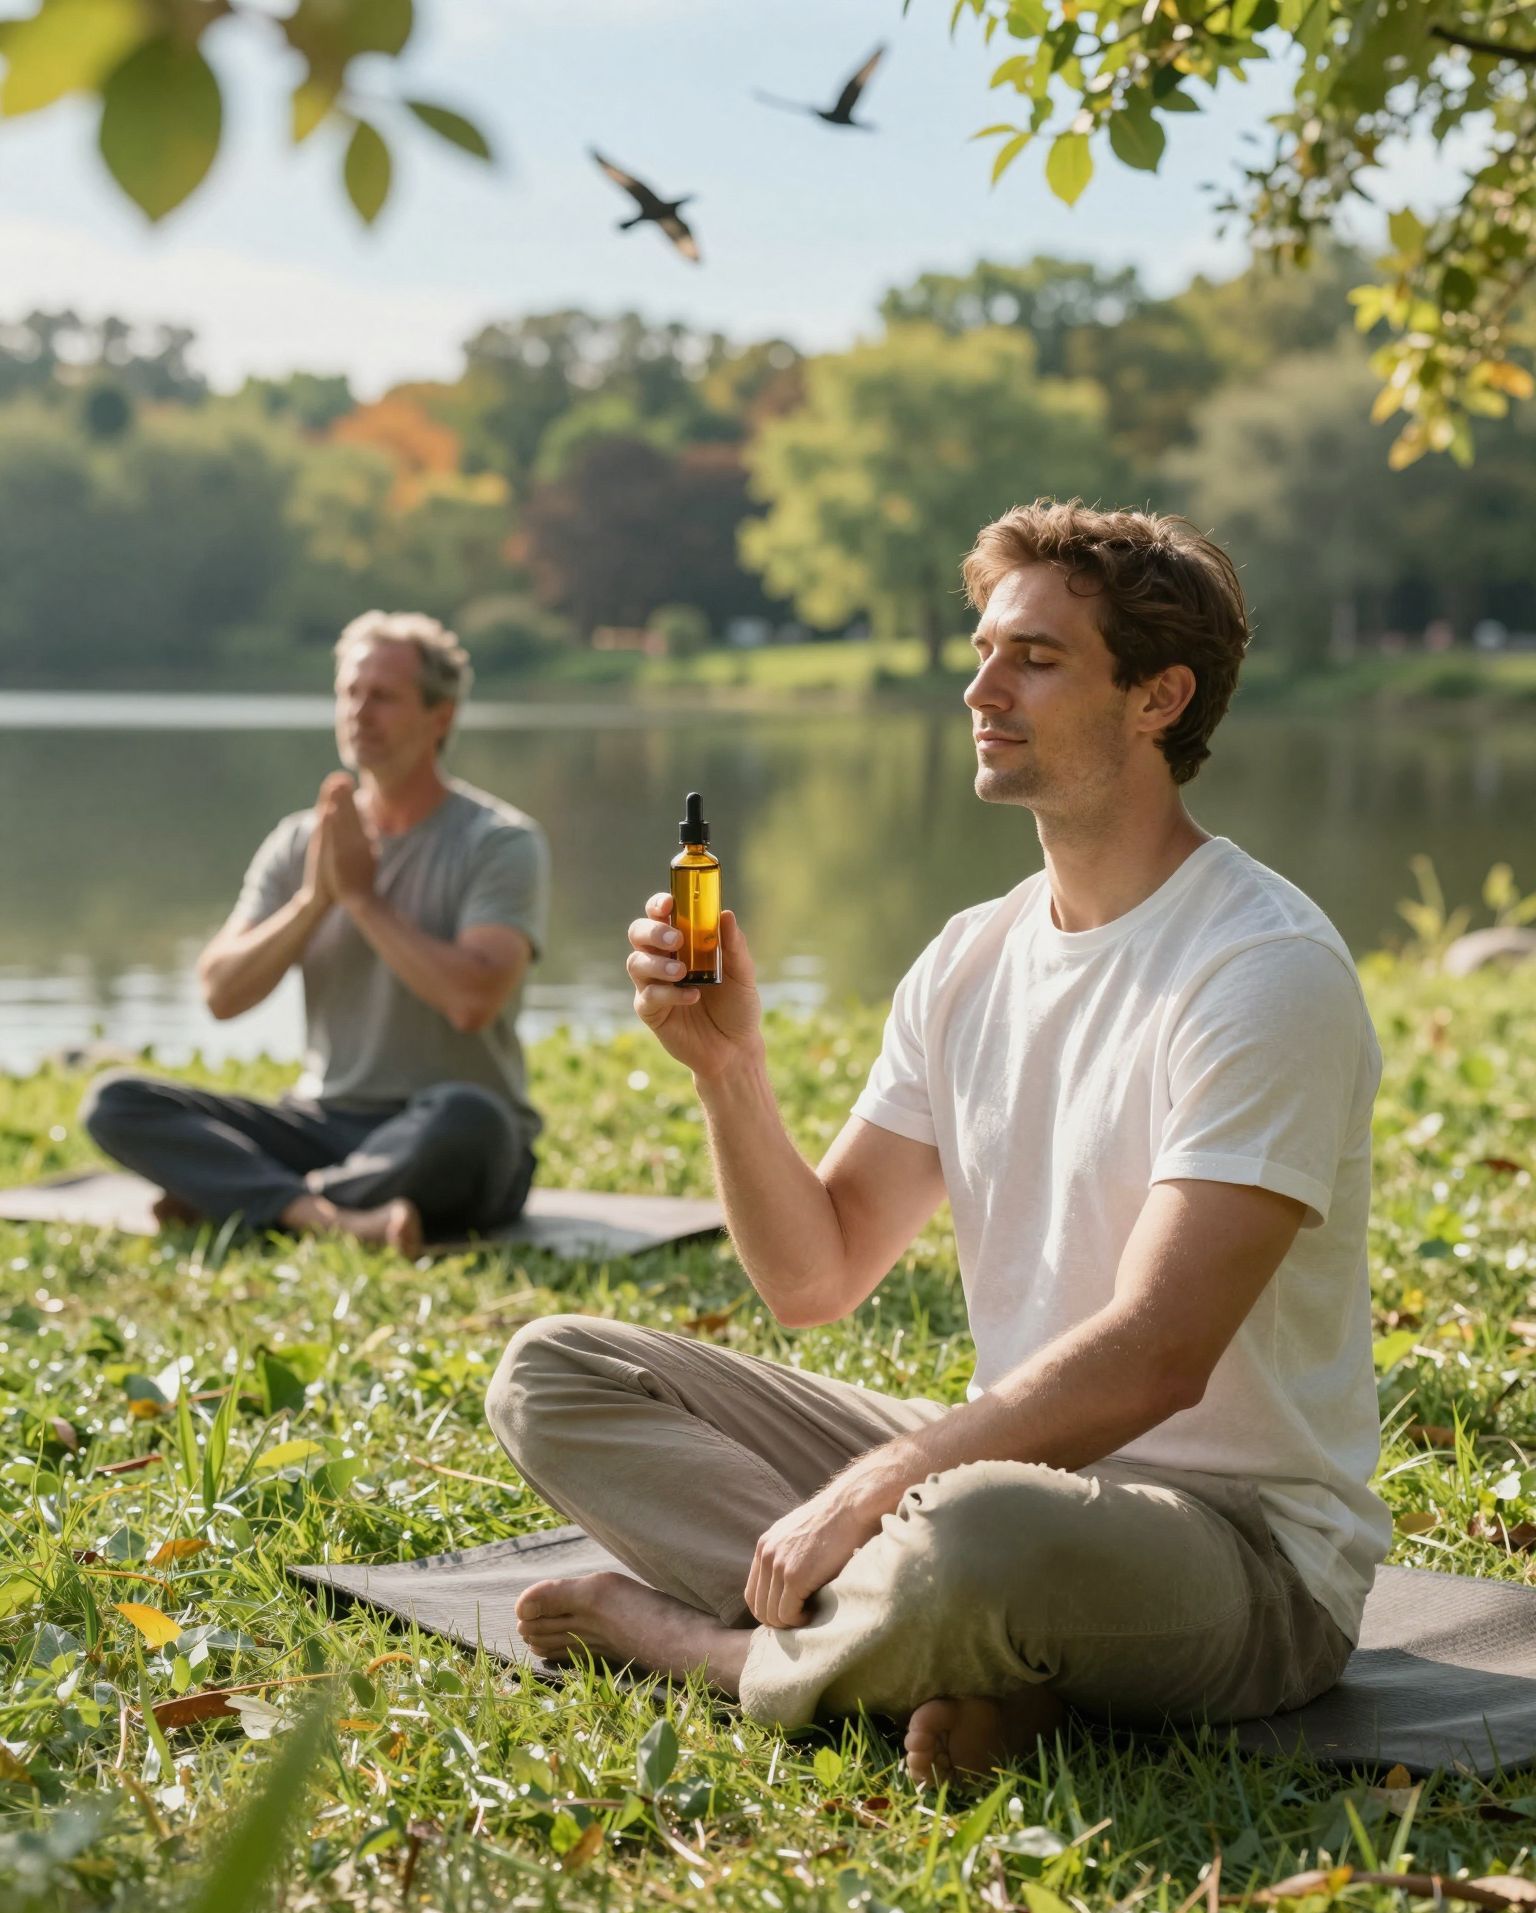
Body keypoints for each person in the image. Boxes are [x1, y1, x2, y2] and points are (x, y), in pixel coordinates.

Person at [485, 500, 1390, 1783]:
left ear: (1158, 696)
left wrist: (875, 1488)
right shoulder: (972, 954)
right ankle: (960, 1654)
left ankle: (720, 1650)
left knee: (973, 1532)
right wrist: (729, 1071)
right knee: (555, 1370)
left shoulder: (1261, 968)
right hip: (1004, 1470)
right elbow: (817, 1274)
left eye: (1035, 657)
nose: (980, 688)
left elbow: (1157, 1355)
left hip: (1239, 1548)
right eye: (984, 650)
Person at [84, 611, 549, 1256]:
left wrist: (362, 900)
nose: (359, 712)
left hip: (441, 1131)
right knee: (117, 1101)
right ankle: (325, 1214)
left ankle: (250, 1197)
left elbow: (473, 1001)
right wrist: (313, 900)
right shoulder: (303, 841)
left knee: (472, 1120)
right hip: (323, 1123)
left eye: (383, 696)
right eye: (349, 693)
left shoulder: (498, 842)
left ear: (440, 716)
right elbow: (221, 993)